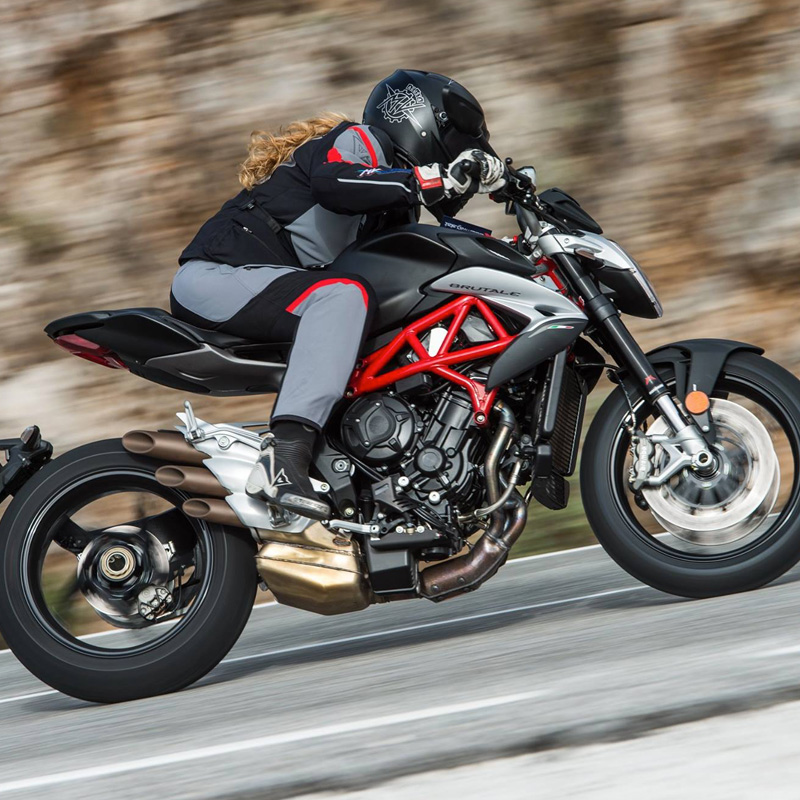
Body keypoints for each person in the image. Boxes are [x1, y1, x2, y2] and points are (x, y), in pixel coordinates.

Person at [171, 69, 506, 521]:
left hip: (273, 290)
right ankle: (285, 459)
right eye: (454, 143)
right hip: (218, 276)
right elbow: (335, 183)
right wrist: (429, 179)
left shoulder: (394, 208)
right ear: (420, 120)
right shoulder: (358, 141)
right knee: (344, 296)